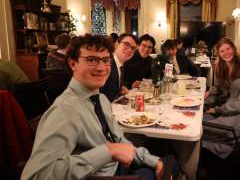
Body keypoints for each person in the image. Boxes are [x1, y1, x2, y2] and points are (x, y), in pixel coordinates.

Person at [21, 36, 164, 180]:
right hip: (105, 176)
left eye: (106, 60)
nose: (101, 68)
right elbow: (36, 176)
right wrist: (108, 152)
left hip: (119, 167)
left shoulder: (101, 99)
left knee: (168, 158)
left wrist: (150, 160)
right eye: (91, 60)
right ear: (73, 63)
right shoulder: (64, 110)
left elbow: (119, 139)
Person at [101, 33, 138, 102]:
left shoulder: (120, 65)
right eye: (126, 45)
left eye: (133, 48)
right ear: (116, 44)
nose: (130, 50)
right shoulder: (107, 63)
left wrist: (120, 89)